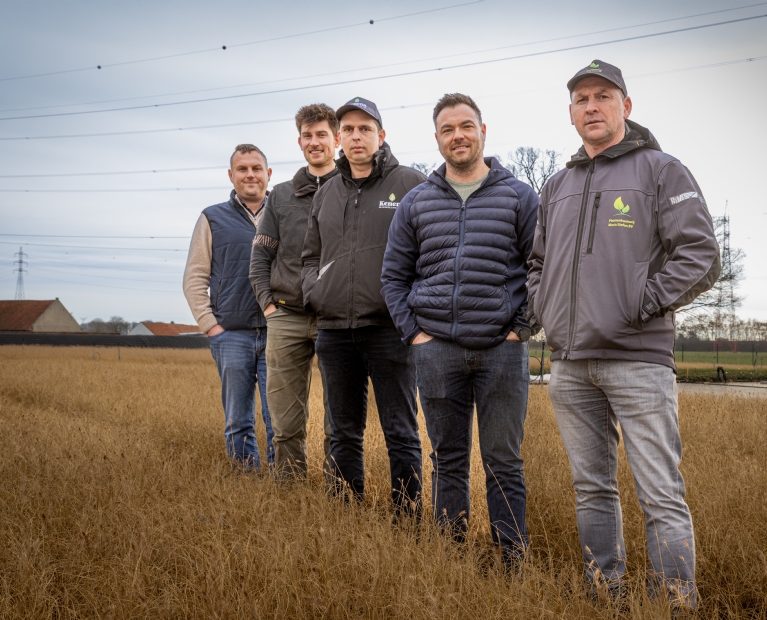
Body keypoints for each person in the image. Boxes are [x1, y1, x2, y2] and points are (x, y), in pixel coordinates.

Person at [527, 60, 720, 608]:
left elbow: (701, 255)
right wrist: (543, 306)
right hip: (568, 363)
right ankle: (604, 592)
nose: (592, 106)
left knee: (660, 492)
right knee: (592, 488)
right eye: (581, 99)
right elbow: (537, 262)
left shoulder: (661, 170)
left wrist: (642, 303)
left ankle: (675, 600)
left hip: (638, 358)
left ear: (625, 107)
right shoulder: (557, 184)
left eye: (603, 96)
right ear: (570, 113)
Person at [381, 93, 538, 565]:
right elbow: (393, 276)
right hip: (437, 351)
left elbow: (540, 270)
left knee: (503, 462)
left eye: (466, 126)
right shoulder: (416, 202)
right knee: (447, 460)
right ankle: (452, 559)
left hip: (501, 351)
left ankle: (512, 559)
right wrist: (417, 336)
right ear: (437, 139)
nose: (458, 136)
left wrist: (520, 330)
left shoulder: (518, 196)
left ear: (483, 131)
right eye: (448, 129)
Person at [301, 97, 426, 515]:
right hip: (334, 329)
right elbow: (309, 256)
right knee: (342, 431)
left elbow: (433, 249)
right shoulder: (327, 193)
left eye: (365, 129)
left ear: (381, 135)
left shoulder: (410, 184)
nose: (357, 136)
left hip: (390, 329)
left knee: (401, 430)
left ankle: (407, 519)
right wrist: (314, 293)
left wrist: (413, 309)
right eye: (349, 130)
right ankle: (345, 513)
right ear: (339, 138)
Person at [249, 104, 338, 480]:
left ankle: (340, 492)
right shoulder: (281, 196)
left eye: (322, 135)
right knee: (285, 417)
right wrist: (268, 306)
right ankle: (290, 488)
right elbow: (260, 256)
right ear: (299, 140)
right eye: (307, 135)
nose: (314, 142)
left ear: (336, 138)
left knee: (340, 419)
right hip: (285, 317)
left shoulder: (351, 190)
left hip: (337, 320)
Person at [184, 144, 276, 470]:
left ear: (269, 174)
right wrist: (211, 326)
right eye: (242, 169)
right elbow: (194, 277)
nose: (250, 174)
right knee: (238, 418)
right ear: (231, 175)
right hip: (231, 334)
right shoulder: (212, 218)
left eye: (256, 168)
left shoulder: (286, 215)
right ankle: (245, 482)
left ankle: (284, 487)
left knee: (279, 418)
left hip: (278, 334)